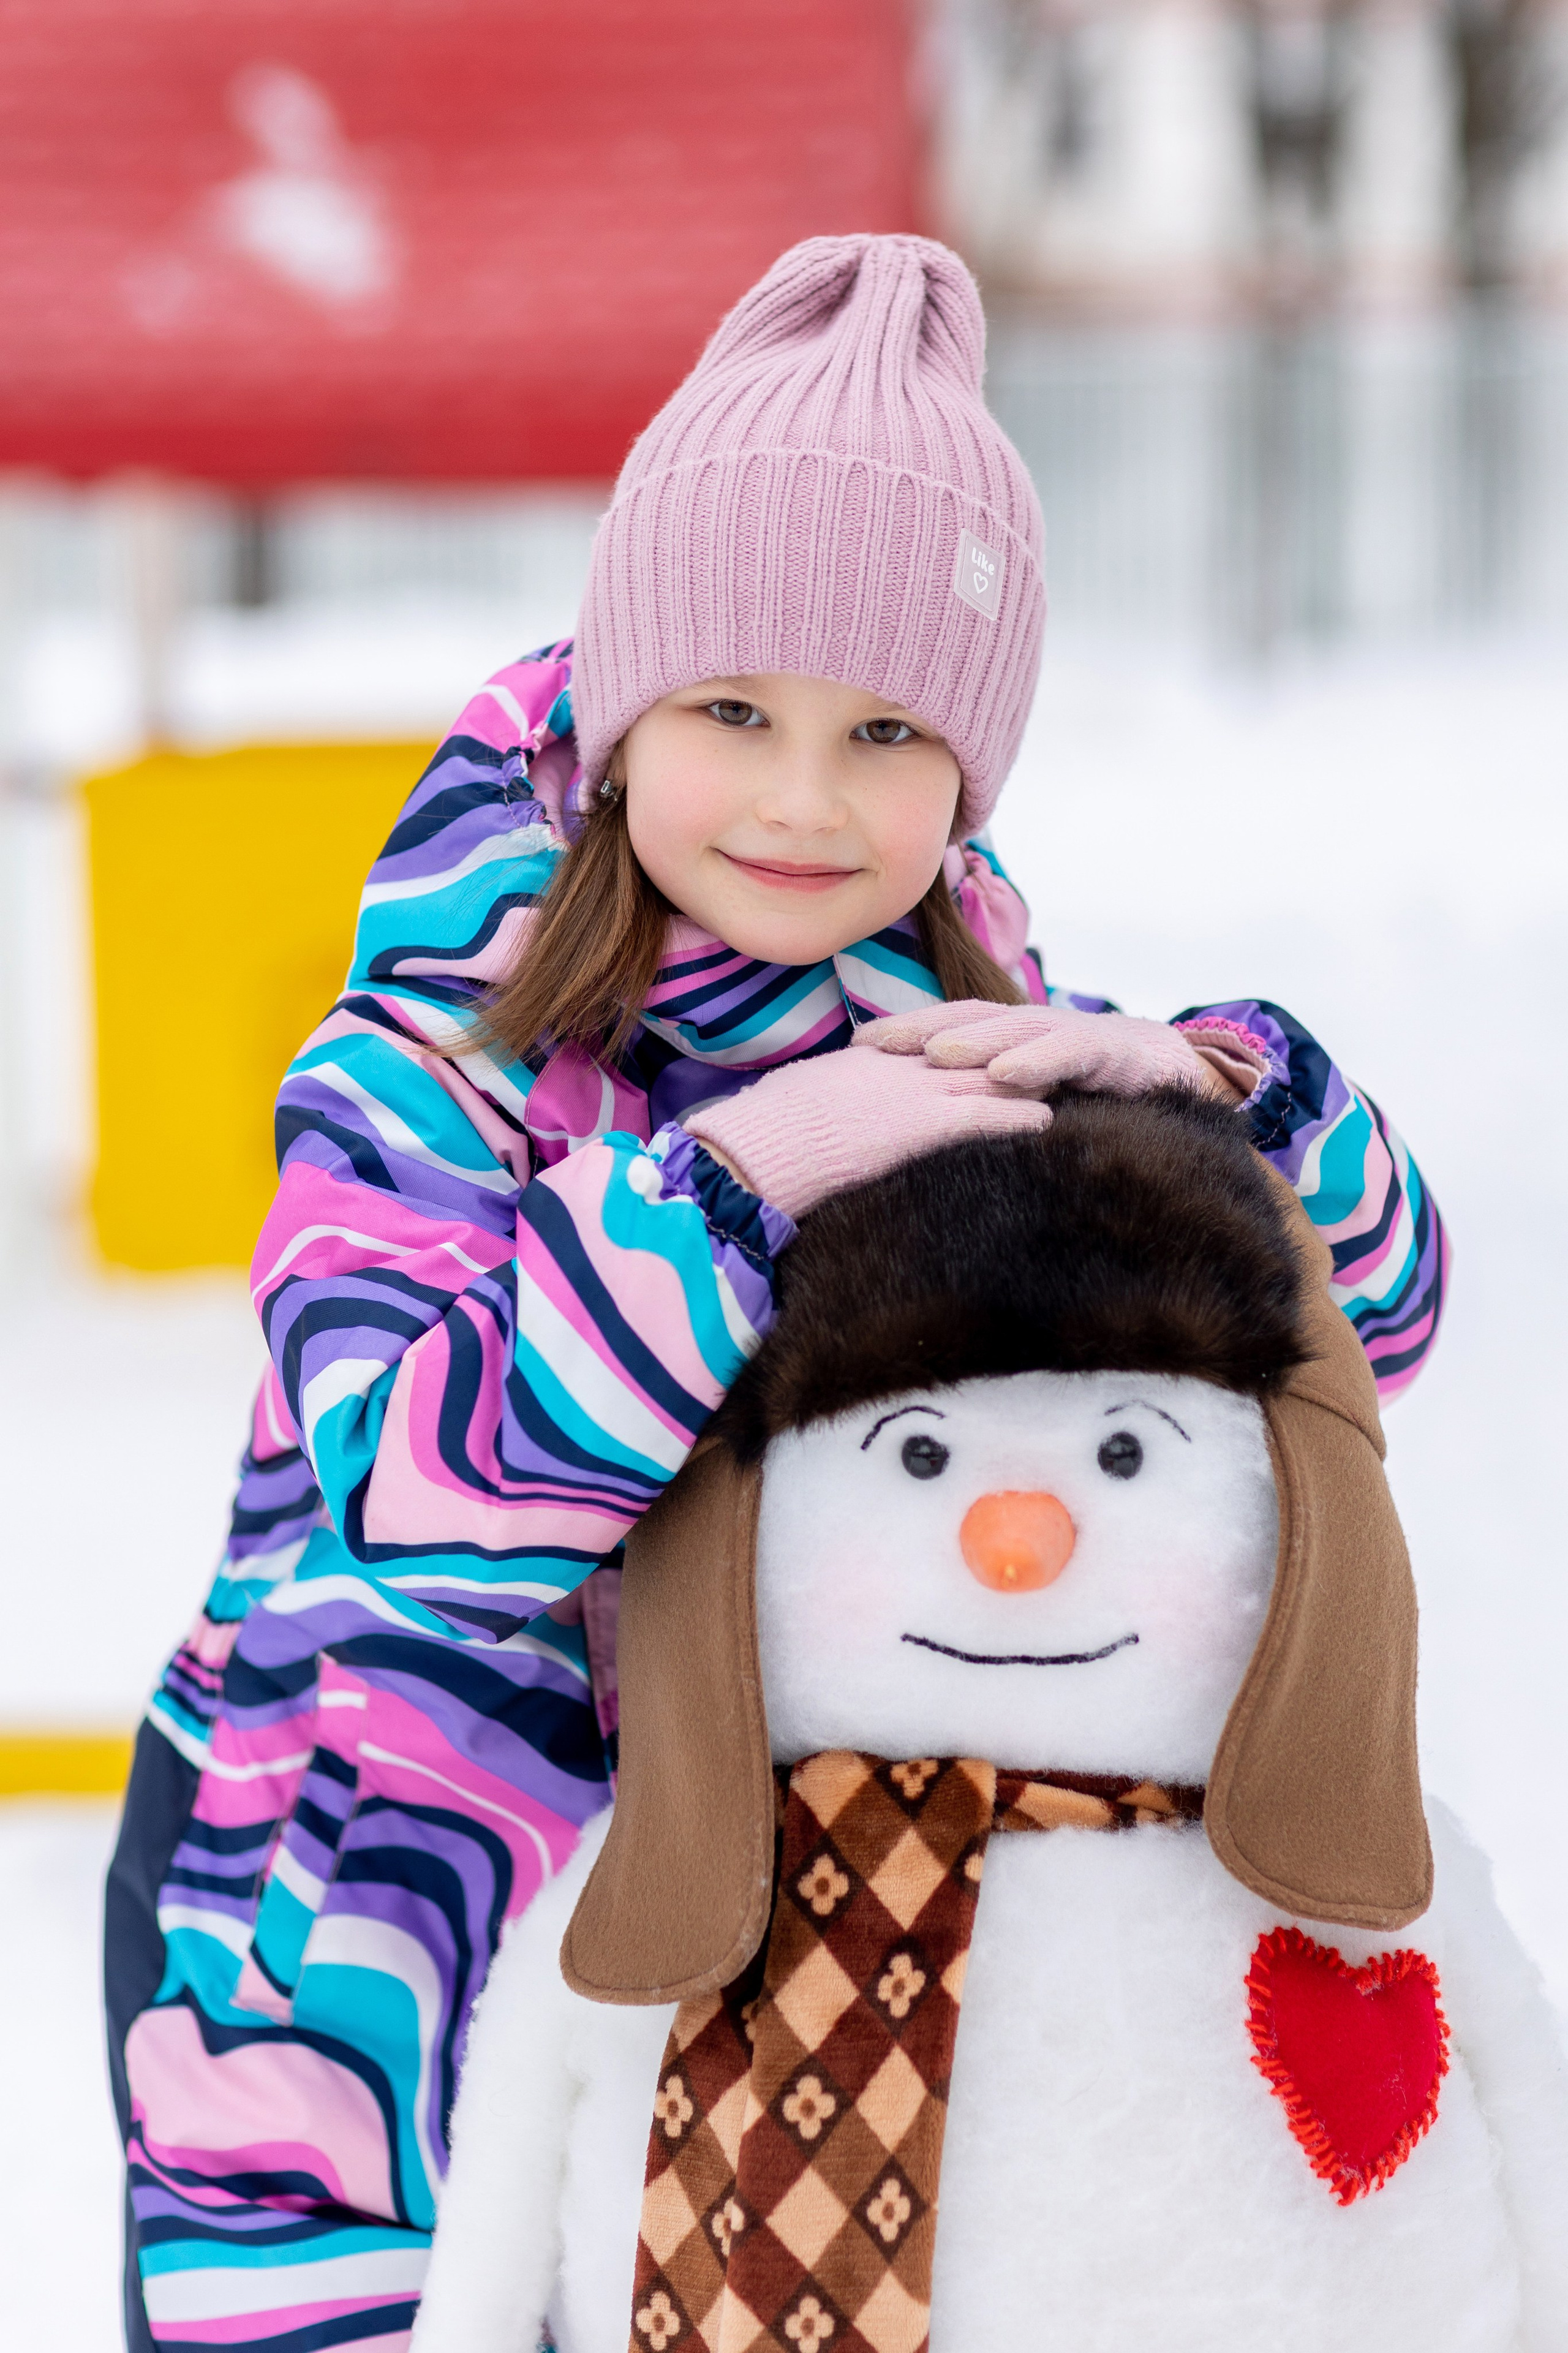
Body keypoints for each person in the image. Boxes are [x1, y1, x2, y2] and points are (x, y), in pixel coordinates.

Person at [104, 234, 1447, 2353]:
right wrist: (720, 1196)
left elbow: (1371, 1327)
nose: (808, 797)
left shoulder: (958, 1045)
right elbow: (399, 1502)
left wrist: (1219, 1100)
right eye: (734, 709)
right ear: (623, 709)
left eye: (887, 727)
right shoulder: (423, 1075)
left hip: (747, 1899)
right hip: (352, 1893)